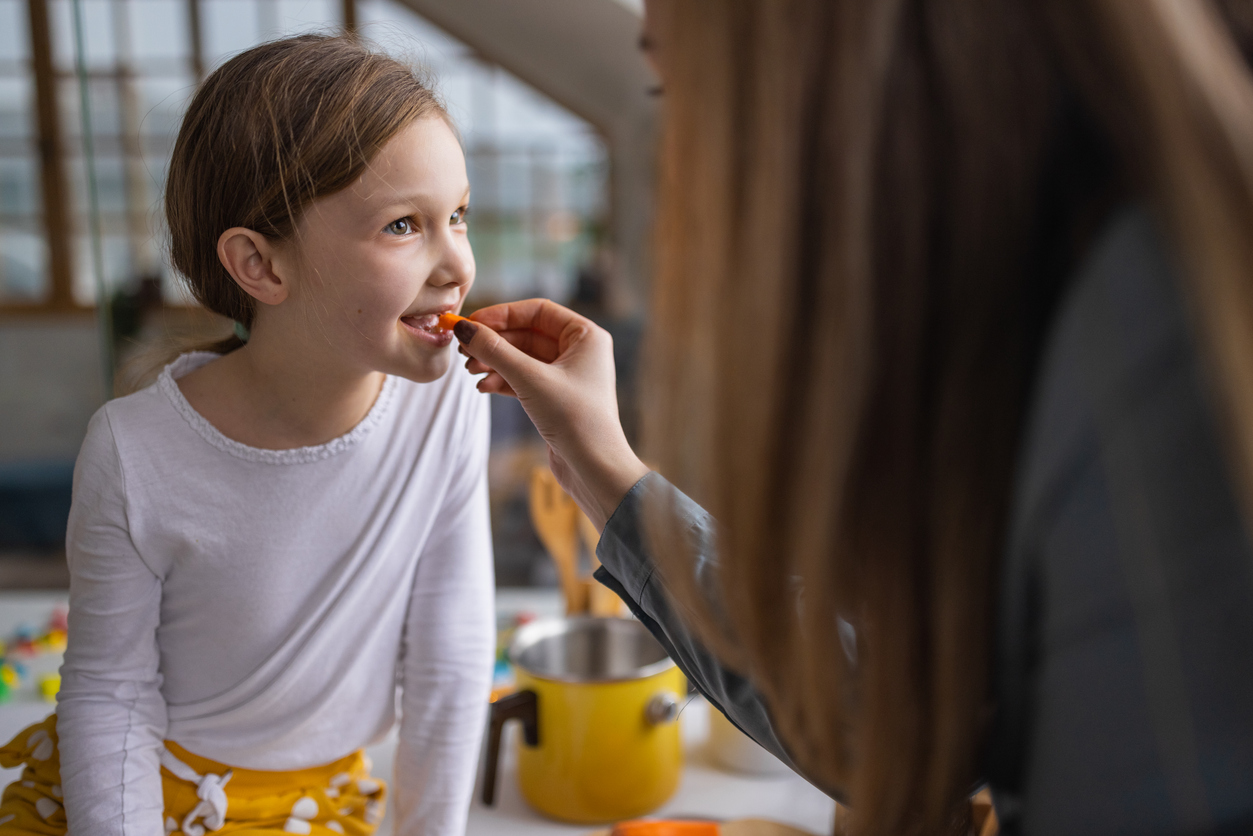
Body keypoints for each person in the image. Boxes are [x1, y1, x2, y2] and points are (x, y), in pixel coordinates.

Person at [453, 1, 1253, 834]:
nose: (677, 165)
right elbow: (899, 715)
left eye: (685, 91)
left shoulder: (1154, 344)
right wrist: (602, 469)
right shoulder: (1029, 317)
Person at [0, 35, 493, 836]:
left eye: (458, 216)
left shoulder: (450, 407)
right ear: (260, 266)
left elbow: (451, 658)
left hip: (315, 805)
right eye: (404, 225)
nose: (455, 266)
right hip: (141, 792)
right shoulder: (134, 450)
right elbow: (110, 696)